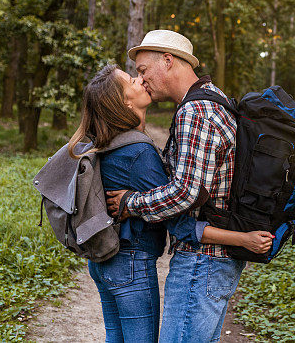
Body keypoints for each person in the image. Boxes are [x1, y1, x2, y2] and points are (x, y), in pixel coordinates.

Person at [69, 64, 273, 343]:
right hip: (131, 265)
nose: (141, 80)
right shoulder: (139, 152)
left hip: (104, 263)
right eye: (133, 79)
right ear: (124, 102)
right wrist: (241, 238)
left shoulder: (108, 143)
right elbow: (180, 222)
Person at [106, 30, 248, 342]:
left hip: (201, 260)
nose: (142, 80)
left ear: (168, 61)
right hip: (211, 258)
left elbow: (187, 192)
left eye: (143, 71)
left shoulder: (195, 111)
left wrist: (130, 204)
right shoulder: (210, 100)